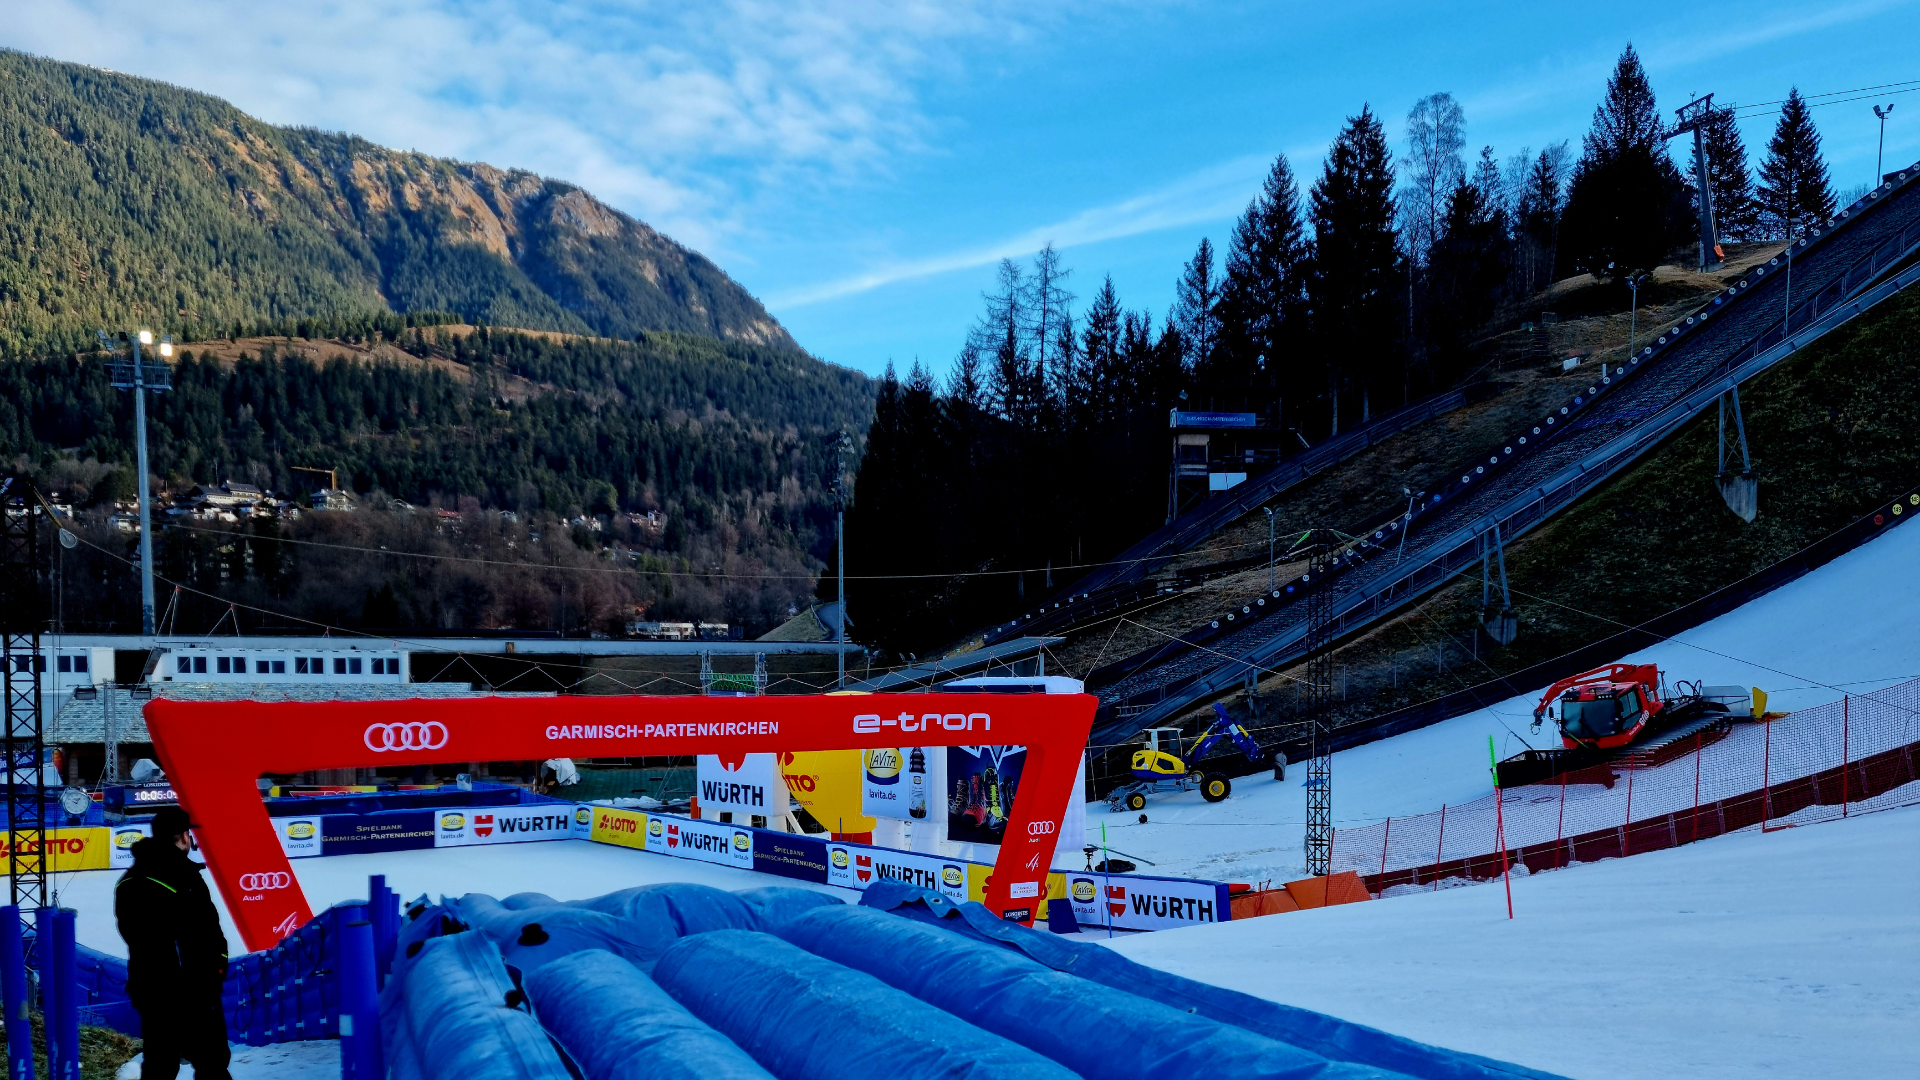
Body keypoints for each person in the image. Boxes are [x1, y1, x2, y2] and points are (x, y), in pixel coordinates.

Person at [115, 807, 232, 1080]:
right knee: (212, 1062)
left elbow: (129, 932)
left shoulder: (128, 880)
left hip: (148, 987)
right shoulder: (184, 876)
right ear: (183, 836)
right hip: (190, 989)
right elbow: (206, 933)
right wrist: (216, 971)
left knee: (159, 1063)